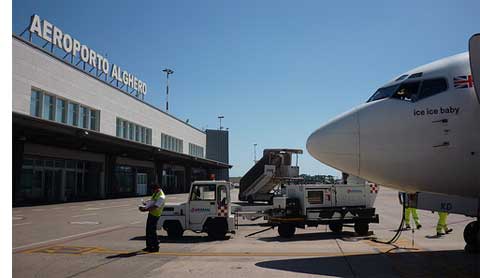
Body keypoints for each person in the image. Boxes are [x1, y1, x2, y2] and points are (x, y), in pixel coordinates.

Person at [139, 183, 165, 252]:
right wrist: (146, 204)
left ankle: (156, 246)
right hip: (151, 214)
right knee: (148, 231)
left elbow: (155, 206)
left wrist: (145, 210)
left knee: (152, 231)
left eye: (153, 190)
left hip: (155, 215)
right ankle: (149, 246)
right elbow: (152, 201)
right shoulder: (156, 193)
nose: (152, 191)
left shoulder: (161, 197)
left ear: (157, 189)